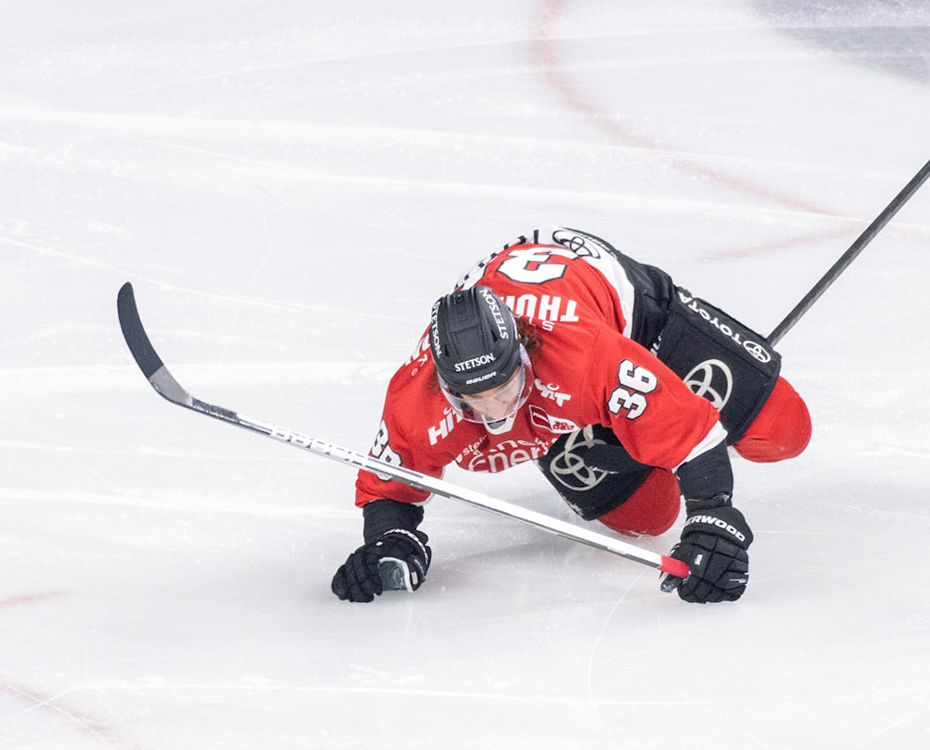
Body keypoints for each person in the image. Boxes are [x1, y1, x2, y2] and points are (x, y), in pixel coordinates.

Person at [332, 226, 811, 603]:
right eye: (473, 401)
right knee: (650, 517)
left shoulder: (581, 356)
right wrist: (390, 540)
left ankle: (633, 411)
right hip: (567, 393)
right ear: (445, 386)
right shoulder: (416, 399)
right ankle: (604, 420)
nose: (496, 411)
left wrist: (714, 514)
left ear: (523, 354)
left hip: (641, 323)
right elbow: (388, 488)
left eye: (505, 388)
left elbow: (692, 432)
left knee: (784, 430)